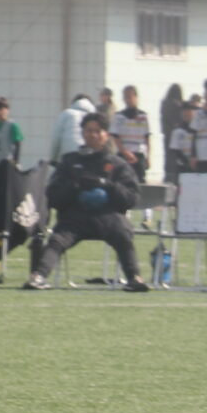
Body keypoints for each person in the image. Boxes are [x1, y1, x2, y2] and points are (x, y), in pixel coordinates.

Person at [24, 113, 147, 293]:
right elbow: (53, 195)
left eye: (98, 131)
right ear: (82, 133)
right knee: (57, 240)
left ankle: (134, 278)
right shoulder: (69, 161)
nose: (93, 135)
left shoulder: (118, 164)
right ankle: (38, 276)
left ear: (106, 134)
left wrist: (108, 185)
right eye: (89, 130)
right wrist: (75, 186)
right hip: (75, 217)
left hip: (108, 216)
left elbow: (132, 198)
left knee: (123, 234)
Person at [112, 86, 154, 182]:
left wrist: (148, 157)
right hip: (123, 154)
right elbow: (116, 137)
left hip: (138, 154)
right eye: (126, 97)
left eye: (130, 97)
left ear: (135, 97)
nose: (128, 100)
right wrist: (124, 152)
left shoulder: (143, 116)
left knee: (139, 182)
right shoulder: (119, 116)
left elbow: (147, 138)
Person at [51, 89, 96, 165]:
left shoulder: (66, 113)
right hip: (89, 154)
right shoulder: (94, 117)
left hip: (68, 154)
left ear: (74, 103)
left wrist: (53, 159)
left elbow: (56, 138)